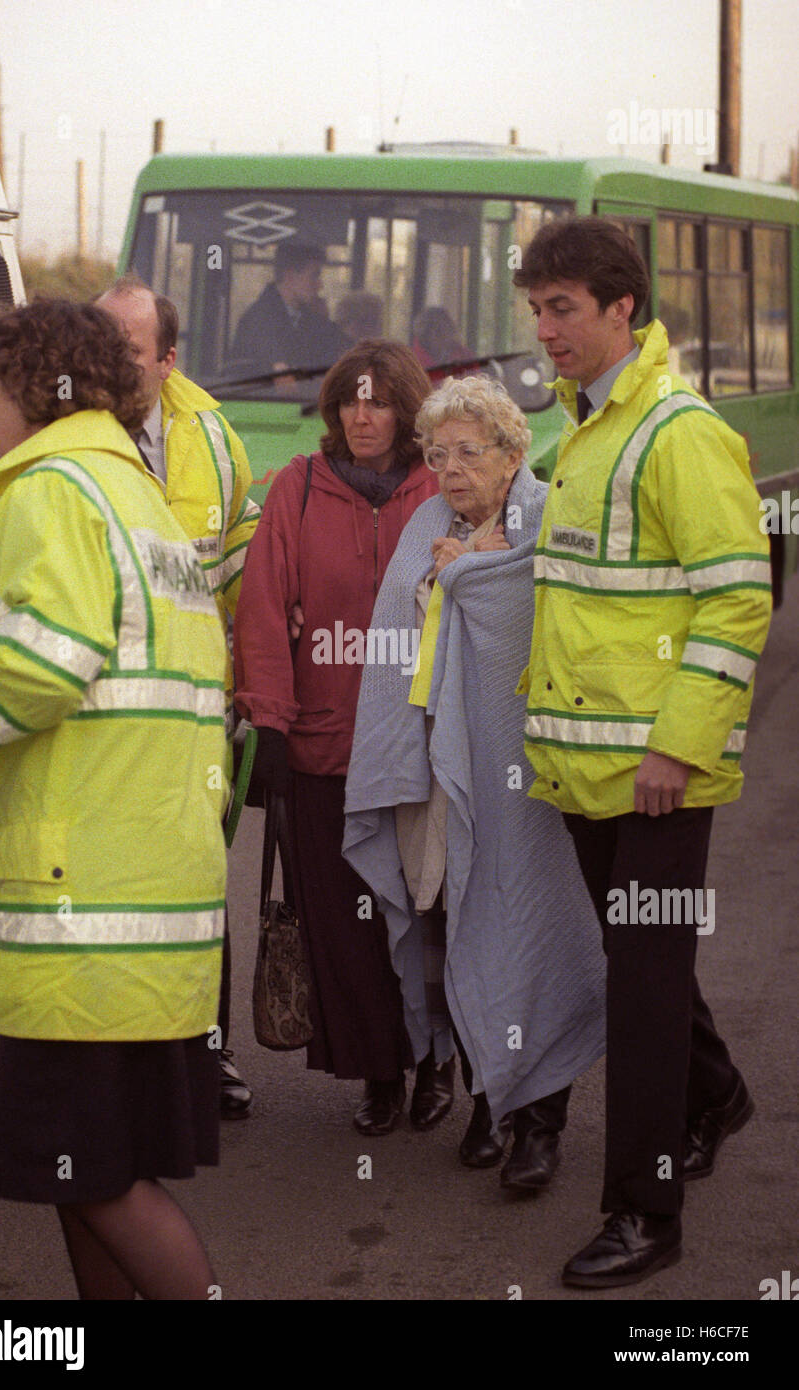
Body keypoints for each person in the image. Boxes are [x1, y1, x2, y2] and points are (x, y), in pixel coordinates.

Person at [0, 298, 227, 1299]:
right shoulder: (131, 491)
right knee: (89, 1174)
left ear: (30, 390)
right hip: (146, 894)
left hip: (87, 912)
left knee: (99, 1182)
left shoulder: (50, 488)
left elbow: (40, 667)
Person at [513, 216, 772, 1287]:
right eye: (534, 310)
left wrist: (675, 746)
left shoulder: (676, 430)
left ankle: (643, 1210)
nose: (544, 330)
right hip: (586, 772)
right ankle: (713, 1095)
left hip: (657, 779)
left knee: (642, 996)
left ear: (623, 308)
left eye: (562, 308)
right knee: (636, 966)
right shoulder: (579, 426)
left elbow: (736, 593)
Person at [344, 375, 605, 1184]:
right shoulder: (428, 522)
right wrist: (452, 572)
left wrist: (465, 579)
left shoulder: (539, 518)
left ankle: (540, 1124)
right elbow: (394, 636)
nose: (450, 469)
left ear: (512, 452)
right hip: (433, 760)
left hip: (521, 767)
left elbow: (529, 616)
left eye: (468, 451)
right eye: (436, 454)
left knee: (526, 924)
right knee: (454, 922)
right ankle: (492, 1096)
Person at [233, 340, 448, 1136]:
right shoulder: (296, 489)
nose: (363, 415)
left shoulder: (439, 491)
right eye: (351, 401)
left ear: (405, 409)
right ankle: (380, 1074)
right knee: (348, 927)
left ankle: (436, 1064)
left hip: (421, 752)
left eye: (379, 400)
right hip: (324, 751)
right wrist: (270, 722)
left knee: (423, 919)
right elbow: (262, 610)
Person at [96, 274, 260, 1120]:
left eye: (127, 350)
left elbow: (241, 559)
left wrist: (246, 678)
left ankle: (207, 1055)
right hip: (103, 717)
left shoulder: (215, 439)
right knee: (110, 882)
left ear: (167, 359)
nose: (109, 365)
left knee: (199, 879)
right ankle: (120, 1062)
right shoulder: (71, 434)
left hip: (196, 712)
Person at [230, 240, 347, 387]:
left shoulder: (315, 322)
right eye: (314, 275)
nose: (320, 285)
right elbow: (243, 373)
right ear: (290, 276)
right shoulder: (256, 321)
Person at [412, 306, 475, 383]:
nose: (435, 335)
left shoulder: (464, 356)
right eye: (430, 329)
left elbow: (474, 383)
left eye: (442, 329)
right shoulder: (412, 361)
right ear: (423, 334)